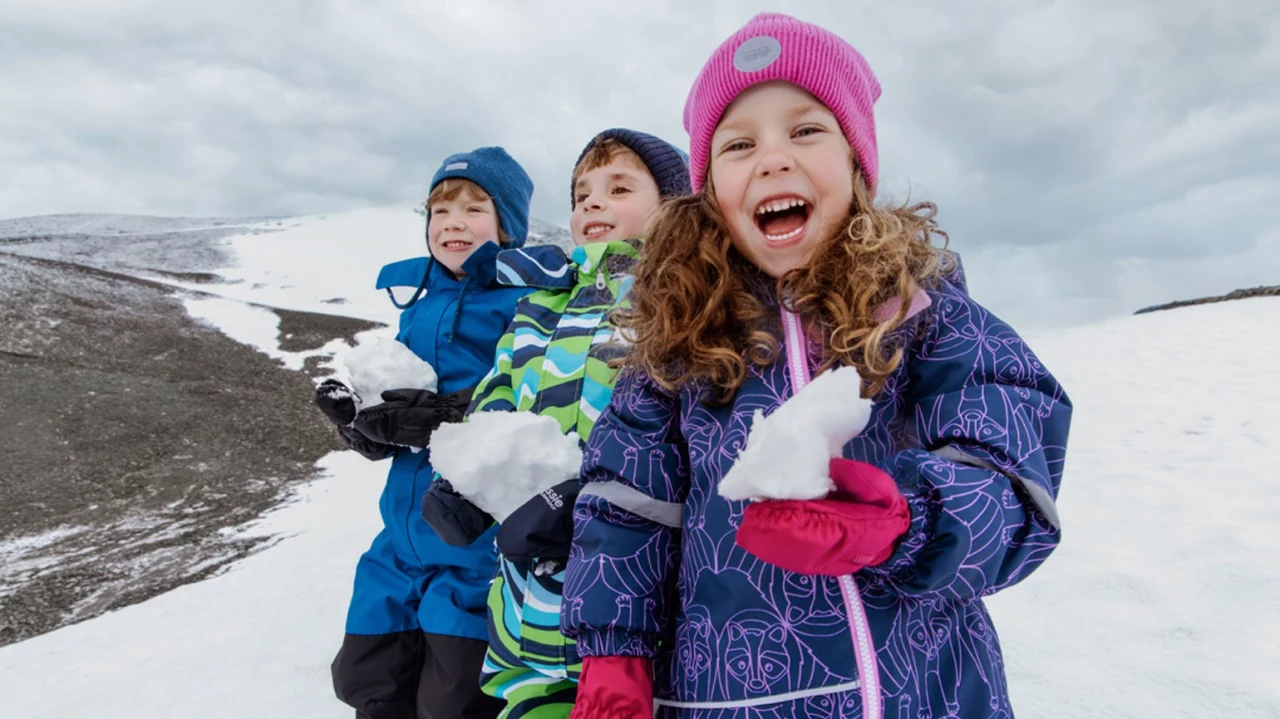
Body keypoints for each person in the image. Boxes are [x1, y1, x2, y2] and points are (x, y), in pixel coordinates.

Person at [560, 13, 1073, 718]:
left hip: (920, 690)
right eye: (739, 144)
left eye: (805, 130)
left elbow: (1014, 475)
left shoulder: (927, 314)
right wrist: (613, 653)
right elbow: (626, 503)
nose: (773, 158)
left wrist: (909, 517)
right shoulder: (674, 346)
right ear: (711, 190)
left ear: (858, 163)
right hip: (720, 695)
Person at [421, 129, 690, 719]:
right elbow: (498, 394)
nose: (592, 203)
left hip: (642, 611)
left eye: (618, 188)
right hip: (530, 602)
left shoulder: (680, 301)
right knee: (529, 694)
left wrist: (590, 499)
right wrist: (467, 474)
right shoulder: (541, 305)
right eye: (581, 194)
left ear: (675, 205)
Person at [313, 146, 535, 719]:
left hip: (475, 542)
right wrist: (367, 426)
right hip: (400, 537)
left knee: (453, 696)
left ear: (507, 225)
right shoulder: (419, 303)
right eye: (439, 211)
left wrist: (441, 415)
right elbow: (403, 398)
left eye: (473, 209)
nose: (453, 223)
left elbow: (531, 401)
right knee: (370, 676)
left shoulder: (527, 302)